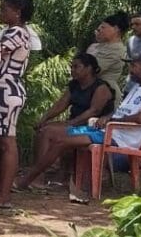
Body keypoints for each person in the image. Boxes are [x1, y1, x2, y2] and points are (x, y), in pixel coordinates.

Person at [68, 50, 141, 204]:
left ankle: (34, 180)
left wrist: (113, 120)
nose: (130, 70)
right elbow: (122, 111)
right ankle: (74, 182)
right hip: (110, 131)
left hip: (120, 138)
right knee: (59, 133)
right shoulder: (137, 87)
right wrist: (108, 118)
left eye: (134, 66)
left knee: (63, 137)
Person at [19, 53, 115, 190]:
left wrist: (70, 123)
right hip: (75, 123)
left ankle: (38, 177)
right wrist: (45, 118)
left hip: (91, 127)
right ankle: (45, 172)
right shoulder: (74, 85)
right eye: (72, 67)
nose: (72, 70)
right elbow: (61, 104)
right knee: (43, 129)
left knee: (48, 132)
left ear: (89, 69)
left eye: (77, 67)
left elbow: (93, 111)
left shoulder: (101, 88)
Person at [0, 0, 36, 208]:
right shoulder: (10, 32)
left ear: (17, 12)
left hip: (5, 90)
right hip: (0, 88)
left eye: (4, 8)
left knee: (6, 142)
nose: (0, 12)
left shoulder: (16, 33)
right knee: (0, 142)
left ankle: (3, 195)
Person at [86, 13, 129, 105]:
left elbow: (92, 70)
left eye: (103, 27)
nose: (99, 30)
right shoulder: (95, 46)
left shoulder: (117, 49)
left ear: (116, 29)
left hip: (105, 94)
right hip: (87, 91)